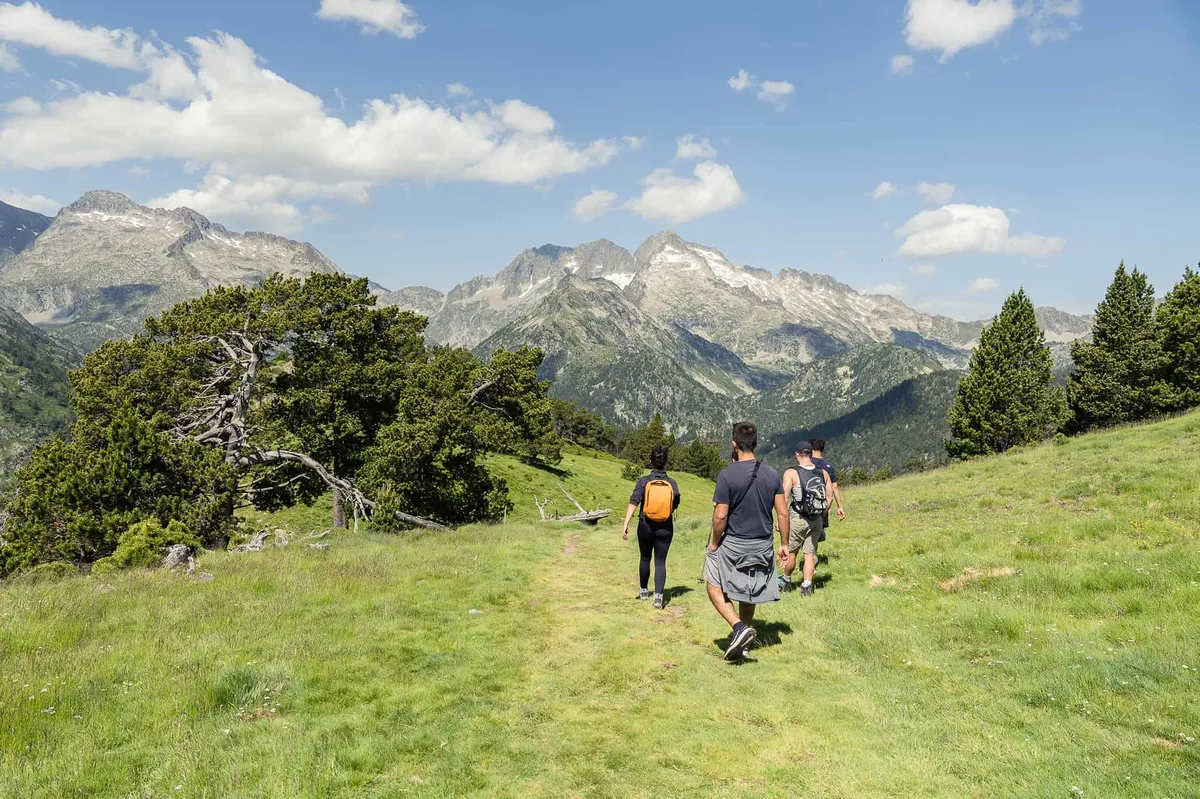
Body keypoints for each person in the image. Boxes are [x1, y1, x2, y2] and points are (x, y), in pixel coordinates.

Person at [705, 422, 789, 661]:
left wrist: (714, 542)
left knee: (713, 585)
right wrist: (784, 543)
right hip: (763, 543)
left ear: (734, 444)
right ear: (756, 443)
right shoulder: (772, 474)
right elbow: (782, 513)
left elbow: (720, 515)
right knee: (748, 591)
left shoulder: (727, 474)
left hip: (735, 543)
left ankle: (739, 628)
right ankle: (745, 643)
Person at [622, 445, 681, 609]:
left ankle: (643, 591)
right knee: (660, 561)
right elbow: (675, 503)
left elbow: (634, 500)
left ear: (651, 461)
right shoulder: (672, 483)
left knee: (645, 558)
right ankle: (658, 597)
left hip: (645, 525)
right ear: (666, 462)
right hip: (665, 527)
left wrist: (626, 523)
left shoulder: (644, 481)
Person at [779, 441, 833, 597]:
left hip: (797, 517)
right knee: (810, 554)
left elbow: (783, 497)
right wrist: (821, 514)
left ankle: (786, 581)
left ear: (796, 455)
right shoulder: (823, 473)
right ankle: (807, 586)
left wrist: (780, 520)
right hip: (816, 519)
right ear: (810, 454)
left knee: (792, 552)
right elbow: (829, 497)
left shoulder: (791, 473)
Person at [810, 437, 846, 540]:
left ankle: (811, 554)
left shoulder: (808, 463)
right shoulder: (829, 466)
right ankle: (813, 553)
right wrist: (840, 507)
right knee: (818, 531)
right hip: (824, 503)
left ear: (811, 449)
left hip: (809, 502)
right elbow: (835, 487)